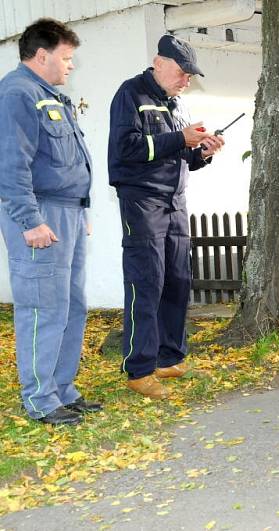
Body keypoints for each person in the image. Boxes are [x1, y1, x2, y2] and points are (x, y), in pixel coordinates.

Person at [108, 35, 225, 399]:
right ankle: (139, 370)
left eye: (190, 76)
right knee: (147, 282)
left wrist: (204, 151)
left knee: (177, 280)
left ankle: (168, 357)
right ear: (159, 63)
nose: (186, 81)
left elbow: (184, 158)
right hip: (142, 202)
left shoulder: (177, 106)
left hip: (176, 202)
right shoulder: (130, 94)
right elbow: (125, 149)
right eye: (182, 73)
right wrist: (180, 140)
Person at [0, 19, 100, 425]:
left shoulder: (50, 96)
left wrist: (82, 210)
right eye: (66, 57)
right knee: (43, 306)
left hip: (68, 213)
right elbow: (11, 166)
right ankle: (40, 398)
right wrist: (30, 220)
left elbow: (65, 161)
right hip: (40, 214)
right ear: (42, 56)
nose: (70, 66)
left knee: (71, 305)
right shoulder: (18, 93)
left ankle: (62, 389)